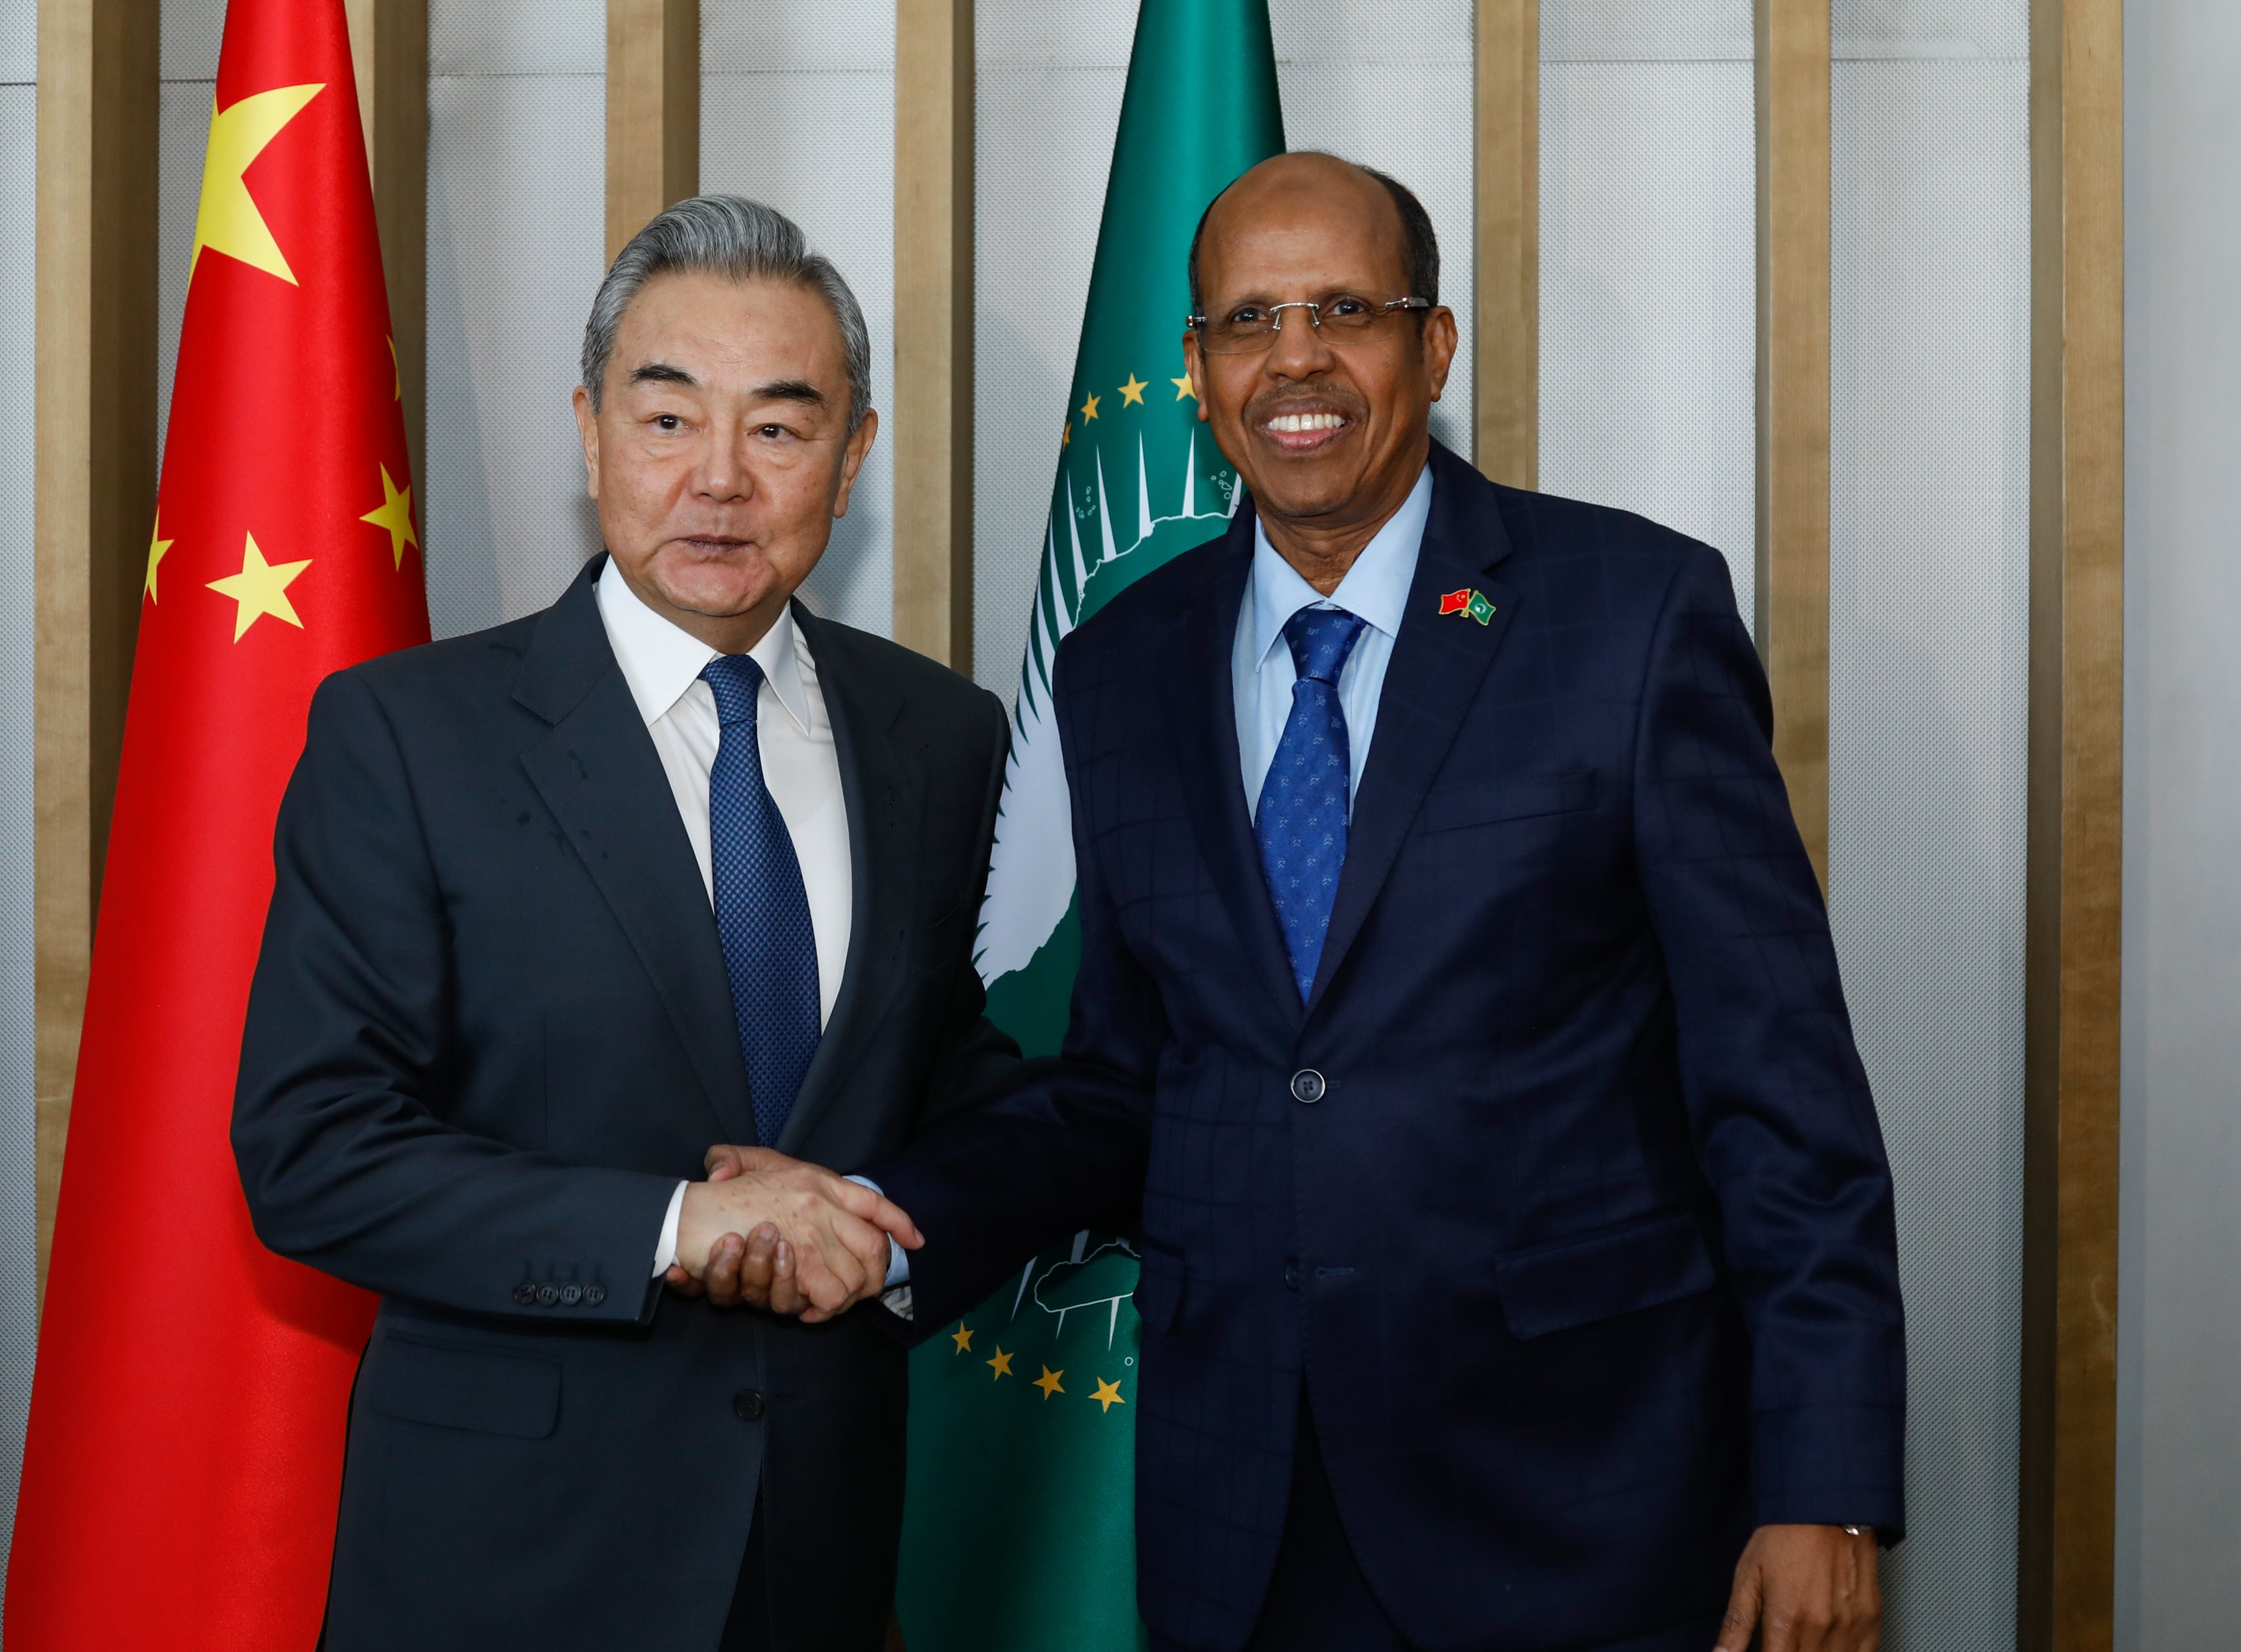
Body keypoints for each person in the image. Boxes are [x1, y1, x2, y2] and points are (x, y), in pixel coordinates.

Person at [720, 152, 1906, 1652]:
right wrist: (886, 1223)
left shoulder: (1627, 614)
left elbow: (1780, 1091)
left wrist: (1825, 1484)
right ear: (1197, 373)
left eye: (1345, 308)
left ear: (1432, 343)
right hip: (1245, 1513)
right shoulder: (1123, 665)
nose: (1296, 359)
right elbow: (1124, 1089)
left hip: (1585, 1497)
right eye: (1246, 321)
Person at [231, 194, 1017, 1651]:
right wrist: (673, 1224)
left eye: (779, 428)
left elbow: (969, 1083)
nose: (719, 478)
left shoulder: (943, 736)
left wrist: (899, 1241)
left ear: (849, 463)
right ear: (590, 433)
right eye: (668, 420)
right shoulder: (409, 735)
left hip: (824, 1551)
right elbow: (313, 1152)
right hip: (508, 1562)